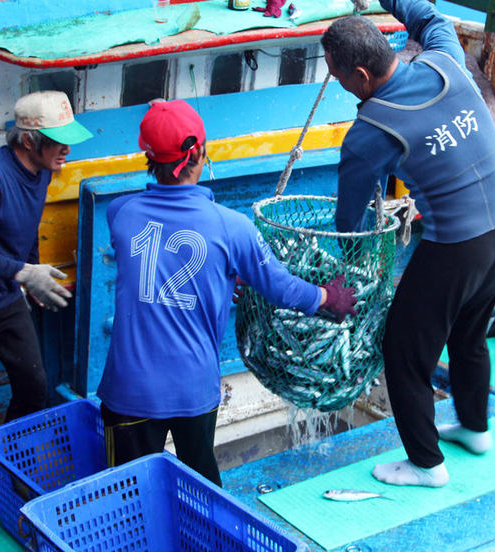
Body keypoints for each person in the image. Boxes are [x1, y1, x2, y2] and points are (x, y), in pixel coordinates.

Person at [96, 100, 356, 486]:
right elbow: (281, 288)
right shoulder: (233, 227)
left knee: (127, 493)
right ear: (197, 153)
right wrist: (325, 298)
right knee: (202, 489)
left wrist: (218, 277)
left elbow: (157, 257)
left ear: (148, 158)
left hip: (128, 391)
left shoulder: (121, 213)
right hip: (193, 390)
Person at [323, 0, 495, 488]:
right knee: (469, 333)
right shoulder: (443, 57)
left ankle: (425, 464)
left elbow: (350, 222)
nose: (341, 86)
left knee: (404, 350)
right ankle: (475, 428)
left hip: (457, 246)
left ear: (363, 74)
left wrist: (348, 274)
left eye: (339, 77)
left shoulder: (369, 132)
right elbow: (428, 14)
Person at [0, 91, 93, 535]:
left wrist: (33, 280)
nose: (67, 149)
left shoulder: (43, 170)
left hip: (7, 298)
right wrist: (25, 272)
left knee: (34, 385)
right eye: (57, 140)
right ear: (27, 140)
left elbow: (25, 230)